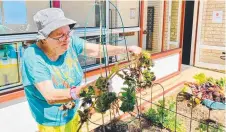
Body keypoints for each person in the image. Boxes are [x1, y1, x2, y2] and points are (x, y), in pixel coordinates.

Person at [22, 8, 141, 132]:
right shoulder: (34, 57)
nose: (67, 39)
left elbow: (97, 50)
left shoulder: (70, 42)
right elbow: (50, 95)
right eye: (60, 36)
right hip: (51, 123)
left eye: (68, 33)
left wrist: (127, 49)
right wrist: (87, 90)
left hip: (72, 112)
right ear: (44, 38)